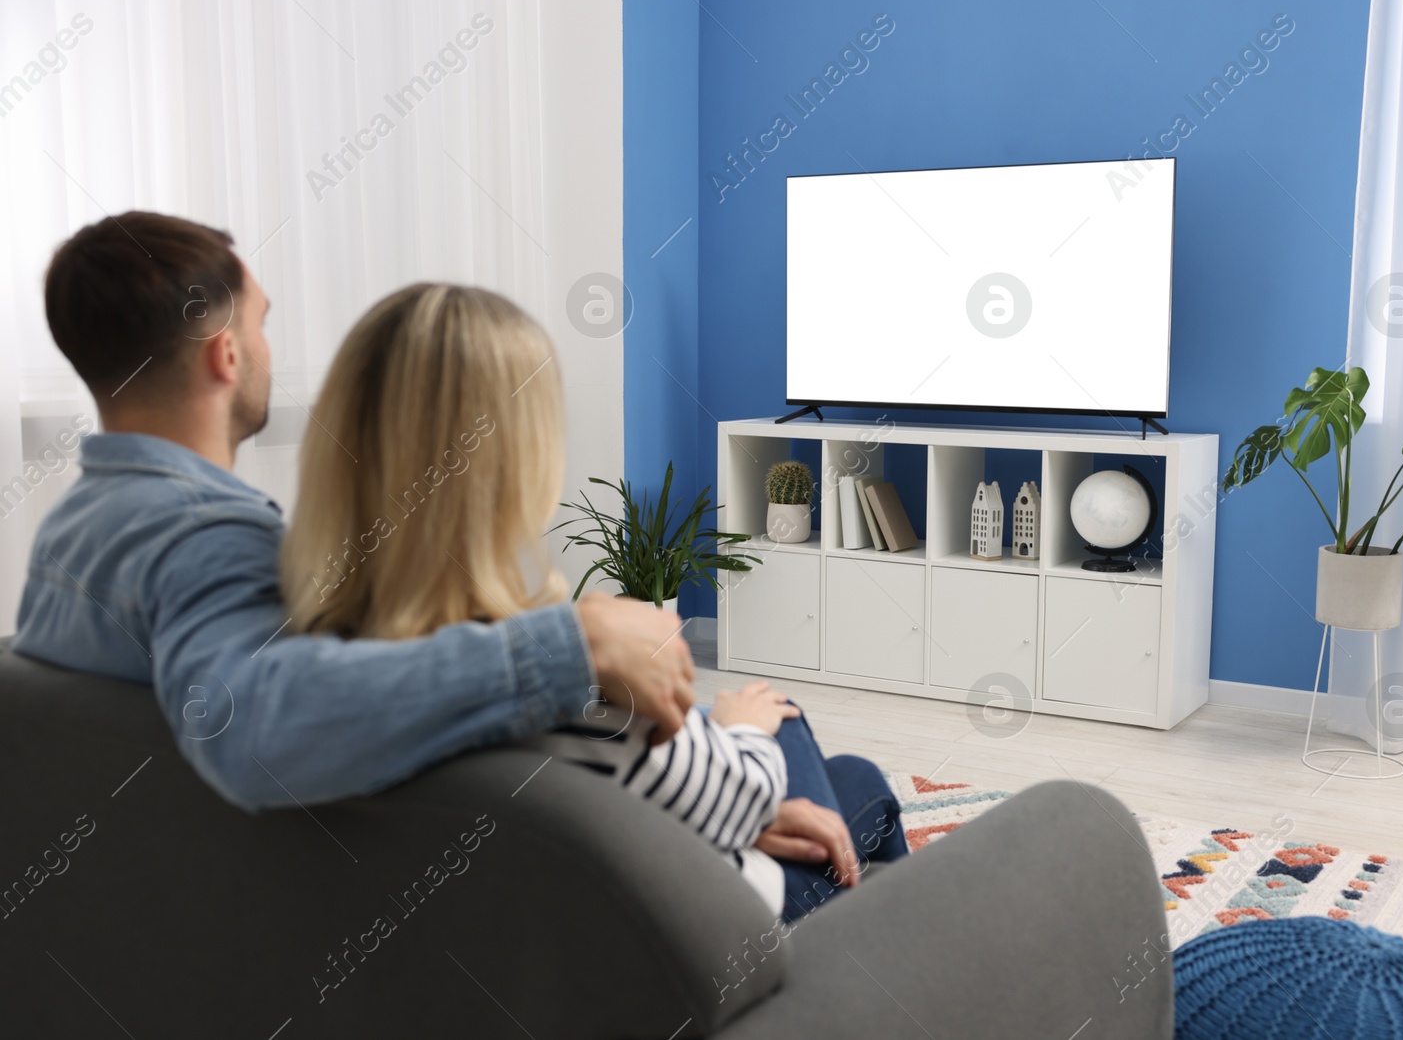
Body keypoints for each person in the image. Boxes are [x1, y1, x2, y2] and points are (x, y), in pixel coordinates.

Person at [10, 211, 691, 810]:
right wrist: (571, 644)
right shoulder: (208, 541)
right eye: (262, 323)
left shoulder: (71, 533)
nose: (268, 350)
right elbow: (248, 729)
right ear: (226, 352)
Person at [279, 281, 906, 920]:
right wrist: (736, 728)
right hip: (717, 936)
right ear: (520, 461)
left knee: (832, 771)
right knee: (814, 743)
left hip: (532, 936)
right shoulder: (578, 679)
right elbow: (735, 795)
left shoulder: (304, 674)